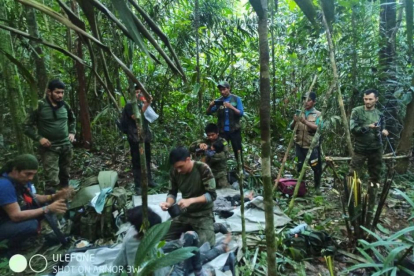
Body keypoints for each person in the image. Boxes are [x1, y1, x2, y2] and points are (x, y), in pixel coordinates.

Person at [113, 205, 232, 276]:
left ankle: (217, 249)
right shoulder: (145, 241)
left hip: (165, 261)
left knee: (190, 246)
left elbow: (119, 260)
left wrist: (176, 245)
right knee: (195, 249)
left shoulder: (132, 234)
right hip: (170, 272)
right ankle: (218, 251)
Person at [0, 154, 73, 249]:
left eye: (33, 174)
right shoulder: (4, 185)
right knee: (31, 225)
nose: (31, 178)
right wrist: (47, 209)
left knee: (45, 205)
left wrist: (54, 196)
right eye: (28, 174)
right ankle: (11, 247)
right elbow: (16, 216)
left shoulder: (21, 180)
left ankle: (51, 229)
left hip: (8, 217)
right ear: (15, 170)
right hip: (4, 222)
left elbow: (33, 197)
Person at [24, 79, 76, 190]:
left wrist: (72, 132)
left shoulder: (65, 106)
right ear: (49, 92)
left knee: (65, 175)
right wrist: (39, 138)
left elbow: (73, 120)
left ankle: (65, 201)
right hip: (49, 147)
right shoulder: (39, 106)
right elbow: (26, 126)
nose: (60, 95)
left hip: (66, 146)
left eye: (62, 92)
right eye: (57, 92)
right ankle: (51, 204)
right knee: (52, 179)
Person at [160, 147, 216, 247]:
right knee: (161, 238)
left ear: (188, 159)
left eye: (180, 167)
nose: (178, 170)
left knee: (206, 245)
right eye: (176, 167)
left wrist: (191, 200)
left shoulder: (203, 169)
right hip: (185, 214)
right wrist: (168, 203)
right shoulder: (175, 171)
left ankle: (215, 227)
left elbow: (211, 195)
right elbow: (172, 192)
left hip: (203, 214)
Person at [349, 88, 389, 184]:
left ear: (376, 99)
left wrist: (384, 131)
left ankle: (372, 197)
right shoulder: (357, 111)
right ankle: (350, 197)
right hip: (360, 148)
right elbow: (353, 129)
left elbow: (382, 128)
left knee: (375, 177)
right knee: (352, 175)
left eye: (370, 99)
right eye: (365, 99)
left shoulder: (380, 114)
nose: (367, 101)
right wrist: (368, 127)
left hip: (376, 148)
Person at [123, 85, 155, 195]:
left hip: (145, 136)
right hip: (135, 137)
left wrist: (147, 103)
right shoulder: (129, 105)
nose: (138, 94)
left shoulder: (141, 103)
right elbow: (136, 116)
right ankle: (138, 185)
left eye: (139, 92)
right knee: (137, 161)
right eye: (136, 92)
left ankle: (149, 180)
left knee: (147, 158)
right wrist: (147, 104)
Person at [290, 91, 322, 189]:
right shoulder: (299, 112)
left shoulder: (318, 114)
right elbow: (291, 127)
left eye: (309, 100)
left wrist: (304, 121)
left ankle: (317, 187)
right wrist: (295, 121)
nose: (306, 102)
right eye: (304, 99)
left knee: (315, 167)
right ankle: (301, 188)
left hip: (311, 146)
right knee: (300, 167)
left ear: (314, 102)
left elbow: (318, 128)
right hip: (299, 145)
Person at [206, 81, 244, 164]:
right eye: (221, 90)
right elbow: (208, 112)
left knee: (238, 150)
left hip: (235, 130)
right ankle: (222, 168)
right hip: (223, 132)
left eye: (224, 89)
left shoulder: (236, 99)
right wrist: (210, 105)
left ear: (229, 89)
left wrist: (231, 107)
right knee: (220, 149)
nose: (222, 91)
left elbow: (241, 113)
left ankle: (241, 169)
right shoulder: (219, 101)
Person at [190, 123, 229, 188]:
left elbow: (223, 156)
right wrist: (199, 145)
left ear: (217, 133)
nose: (210, 137)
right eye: (208, 135)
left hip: (219, 174)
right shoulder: (205, 140)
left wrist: (208, 152)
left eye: (212, 135)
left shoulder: (223, 142)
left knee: (224, 192)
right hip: (206, 173)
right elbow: (191, 147)